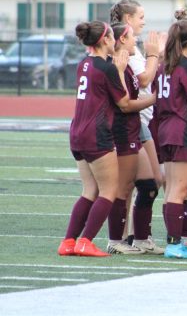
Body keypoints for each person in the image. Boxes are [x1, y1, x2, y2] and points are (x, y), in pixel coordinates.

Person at [58, 21, 130, 257]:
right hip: (96, 134)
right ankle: (86, 241)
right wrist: (155, 99)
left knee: (89, 190)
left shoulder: (83, 64)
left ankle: (68, 241)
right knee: (109, 190)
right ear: (106, 40)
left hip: (77, 132)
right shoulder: (107, 68)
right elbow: (125, 103)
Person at [110, 0, 165, 255]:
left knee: (149, 182)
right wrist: (154, 55)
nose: (144, 20)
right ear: (127, 21)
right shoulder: (123, 51)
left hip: (139, 120)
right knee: (129, 185)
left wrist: (157, 55)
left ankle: (137, 236)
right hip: (131, 123)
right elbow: (141, 82)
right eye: (140, 16)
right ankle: (119, 239)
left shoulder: (132, 49)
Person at [154, 20, 187, 259]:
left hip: (165, 129)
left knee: (171, 190)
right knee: (178, 191)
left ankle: (174, 241)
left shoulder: (164, 64)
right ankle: (174, 244)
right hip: (182, 129)